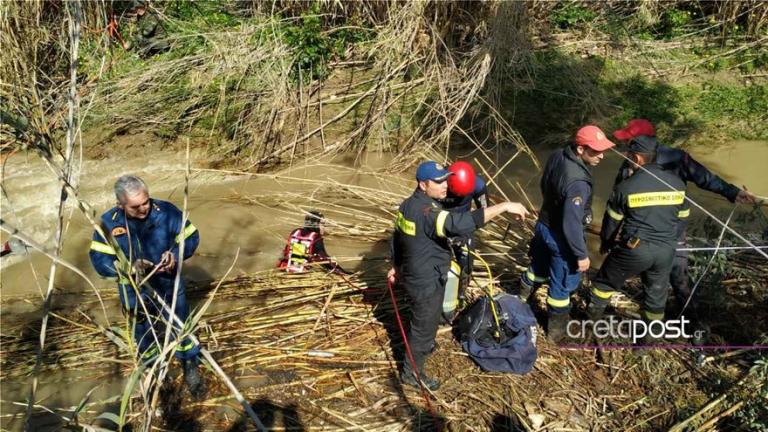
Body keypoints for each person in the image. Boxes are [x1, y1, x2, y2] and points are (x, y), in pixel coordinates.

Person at [612, 119, 756, 343]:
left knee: (679, 277)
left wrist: (733, 192)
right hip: (640, 231)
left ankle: (695, 324)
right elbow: (618, 195)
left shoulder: (676, 159)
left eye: (629, 140)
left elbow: (705, 178)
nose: (625, 146)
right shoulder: (630, 161)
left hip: (672, 229)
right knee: (647, 276)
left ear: (643, 142)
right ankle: (651, 325)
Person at [388, 161, 529, 390]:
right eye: (439, 181)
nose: (446, 185)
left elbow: (396, 238)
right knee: (422, 327)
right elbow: (463, 222)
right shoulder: (429, 213)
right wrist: (504, 206)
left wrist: (395, 265)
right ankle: (411, 374)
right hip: (425, 280)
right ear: (423, 185)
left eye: (446, 179)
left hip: (418, 273)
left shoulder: (407, 205)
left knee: (428, 319)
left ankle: (423, 345)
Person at [89, 175, 204, 397]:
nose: (144, 209)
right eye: (135, 207)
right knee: (143, 333)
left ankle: (190, 366)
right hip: (134, 291)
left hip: (168, 282)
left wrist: (175, 254)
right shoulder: (108, 224)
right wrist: (127, 268)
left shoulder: (167, 211)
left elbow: (191, 236)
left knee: (180, 325)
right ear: (120, 205)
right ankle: (156, 374)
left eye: (146, 202)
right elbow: (99, 261)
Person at [518, 125, 615, 343]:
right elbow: (571, 223)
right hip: (561, 239)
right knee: (562, 286)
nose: (602, 155)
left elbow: (545, 184)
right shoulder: (578, 183)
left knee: (537, 269)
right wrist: (581, 254)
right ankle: (556, 334)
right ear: (580, 149)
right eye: (596, 151)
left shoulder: (558, 154)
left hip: (543, 225)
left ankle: (521, 301)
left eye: (602, 150)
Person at [588, 137, 687, 344]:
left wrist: (606, 243)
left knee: (603, 283)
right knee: (656, 296)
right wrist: (671, 240)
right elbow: (683, 218)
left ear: (637, 158)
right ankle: (645, 344)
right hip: (666, 250)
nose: (628, 160)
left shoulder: (626, 187)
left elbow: (611, 222)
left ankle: (591, 324)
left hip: (635, 249)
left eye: (629, 157)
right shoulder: (677, 184)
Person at [441, 161, 488, 304]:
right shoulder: (438, 183)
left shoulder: (478, 185)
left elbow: (484, 212)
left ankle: (461, 293)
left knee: (466, 262)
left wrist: (469, 229)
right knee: (440, 264)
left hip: (463, 227)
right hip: (441, 224)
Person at [278, 210, 348, 274]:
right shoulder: (315, 238)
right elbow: (324, 260)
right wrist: (343, 272)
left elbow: (286, 252)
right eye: (322, 224)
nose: (324, 227)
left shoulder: (295, 232)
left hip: (284, 270)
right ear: (316, 225)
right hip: (301, 274)